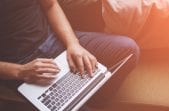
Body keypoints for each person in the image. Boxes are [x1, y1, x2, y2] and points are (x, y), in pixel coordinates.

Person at [0, 0, 140, 110]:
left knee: (128, 50)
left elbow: (51, 5)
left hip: (52, 38)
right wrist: (20, 72)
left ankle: (95, 99)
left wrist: (73, 44)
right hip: (19, 63)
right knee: (61, 104)